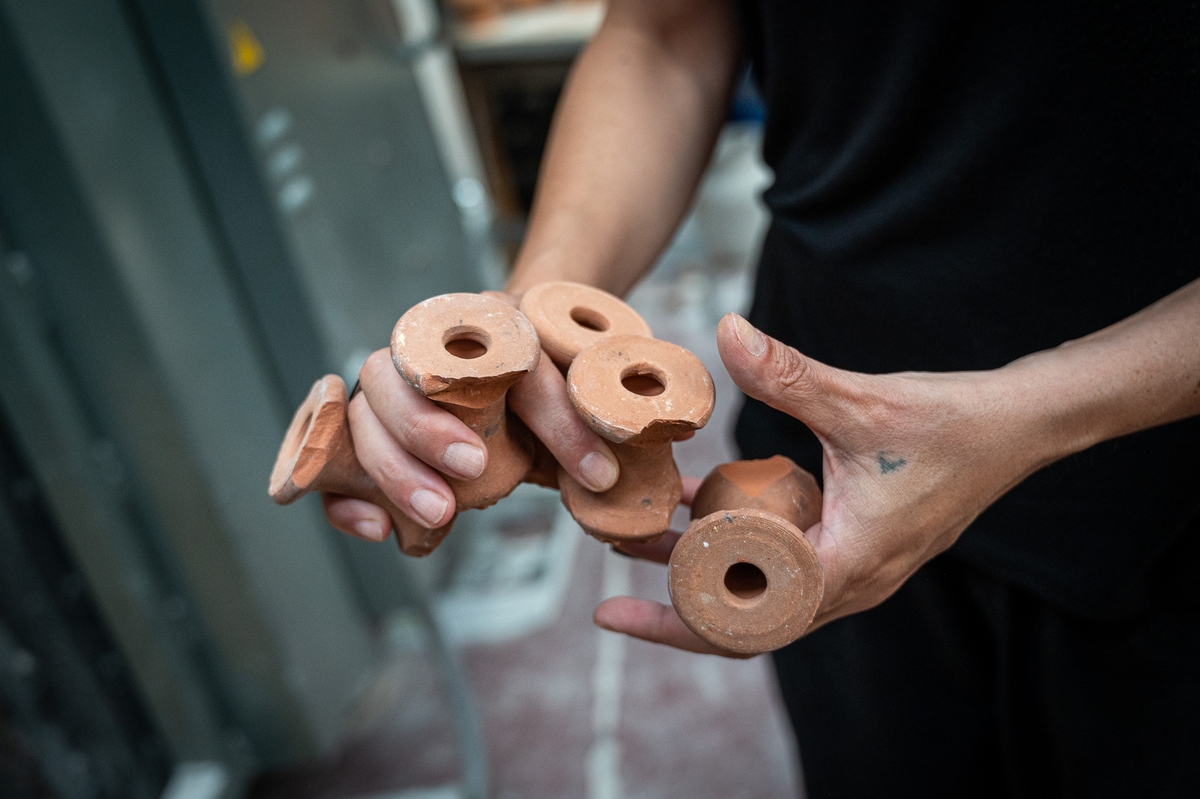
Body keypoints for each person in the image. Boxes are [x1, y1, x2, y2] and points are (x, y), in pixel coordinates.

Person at [323, 1, 1200, 794]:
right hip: (822, 476)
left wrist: (1042, 412)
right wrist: (529, 322)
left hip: (1155, 470)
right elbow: (664, 36)